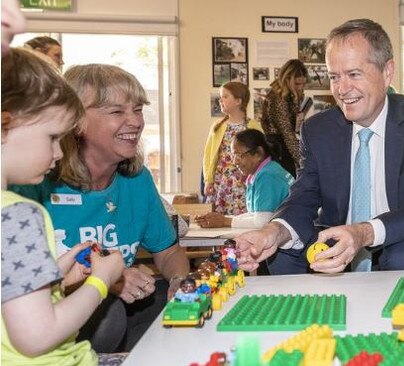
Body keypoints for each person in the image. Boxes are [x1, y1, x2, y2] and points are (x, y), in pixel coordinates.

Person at [236, 19, 404, 275]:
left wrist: (365, 232)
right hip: (339, 236)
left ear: (387, 71)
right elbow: (304, 196)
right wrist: (274, 231)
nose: (343, 89)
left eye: (354, 74)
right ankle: (311, 314)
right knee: (284, 249)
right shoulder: (318, 131)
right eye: (334, 77)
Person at [11, 64, 190, 352]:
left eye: (139, 109)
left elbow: (168, 251)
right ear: (76, 120)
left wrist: (180, 282)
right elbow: (27, 289)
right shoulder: (33, 184)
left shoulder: (137, 180)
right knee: (110, 315)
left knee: (169, 309)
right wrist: (108, 282)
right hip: (53, 323)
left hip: (121, 309)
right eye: (117, 112)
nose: (135, 122)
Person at [2, 48, 125, 365]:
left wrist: (54, 276)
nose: (59, 153)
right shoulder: (17, 214)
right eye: (53, 137)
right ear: (6, 123)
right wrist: (101, 281)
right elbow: (36, 337)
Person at [196, 129, 294, 229]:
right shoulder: (260, 173)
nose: (234, 161)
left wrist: (224, 221)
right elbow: (254, 215)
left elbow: (262, 222)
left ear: (258, 153)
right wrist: (221, 218)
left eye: (239, 155)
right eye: (233, 155)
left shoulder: (268, 176)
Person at [203, 81, 262, 214]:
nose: (220, 100)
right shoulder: (217, 127)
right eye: (220, 96)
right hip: (222, 182)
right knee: (219, 218)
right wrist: (208, 180)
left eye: (225, 96)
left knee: (243, 217)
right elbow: (208, 155)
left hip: (245, 182)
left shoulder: (253, 126)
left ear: (238, 101)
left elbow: (261, 156)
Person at [261, 58, 309, 177]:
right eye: (297, 84)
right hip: (277, 147)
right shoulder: (278, 98)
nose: (300, 88)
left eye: (303, 84)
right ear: (286, 79)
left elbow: (291, 130)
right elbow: (286, 132)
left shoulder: (293, 95)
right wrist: (302, 161)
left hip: (285, 144)